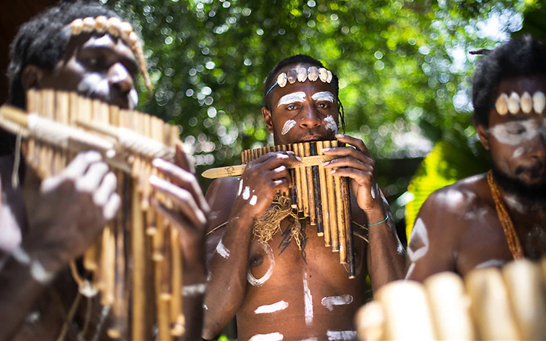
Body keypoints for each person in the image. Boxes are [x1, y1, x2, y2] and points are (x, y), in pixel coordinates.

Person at [0, 2, 209, 340]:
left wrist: (192, 275)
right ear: (36, 83)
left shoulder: (144, 218)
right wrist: (43, 250)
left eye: (130, 69)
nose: (125, 81)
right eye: (96, 62)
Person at [200, 55, 406, 341]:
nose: (311, 119)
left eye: (323, 105)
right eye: (293, 107)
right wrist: (244, 212)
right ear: (269, 120)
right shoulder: (231, 191)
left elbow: (402, 312)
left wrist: (373, 208)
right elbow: (205, 322)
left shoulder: (361, 189)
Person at [404, 35, 546, 281]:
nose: (539, 148)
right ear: (484, 135)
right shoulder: (449, 215)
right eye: (516, 131)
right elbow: (414, 314)